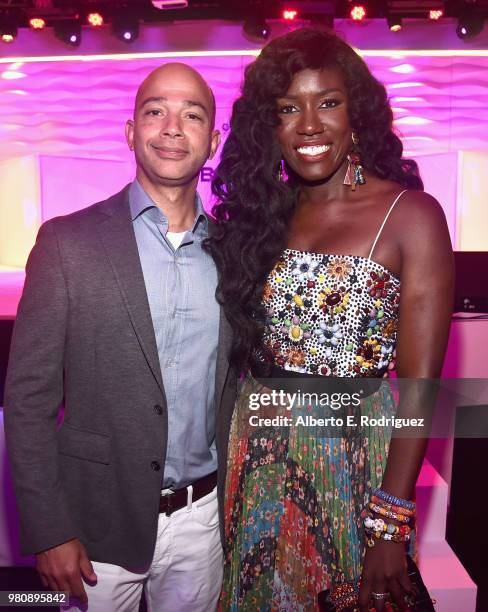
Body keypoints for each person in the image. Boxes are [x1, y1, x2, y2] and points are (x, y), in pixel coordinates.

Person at [206, 28, 453, 611]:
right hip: (258, 464)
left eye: (329, 103)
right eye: (289, 109)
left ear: (357, 113)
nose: (310, 125)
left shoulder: (409, 215)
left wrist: (389, 527)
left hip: (351, 469)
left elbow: (419, 391)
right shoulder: (265, 217)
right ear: (269, 126)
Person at [4, 62, 237, 611]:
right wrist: (49, 528)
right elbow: (29, 398)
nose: (172, 127)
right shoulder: (67, 243)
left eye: (192, 114)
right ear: (132, 131)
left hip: (204, 521)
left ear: (213, 140)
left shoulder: (235, 252)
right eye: (155, 111)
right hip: (94, 524)